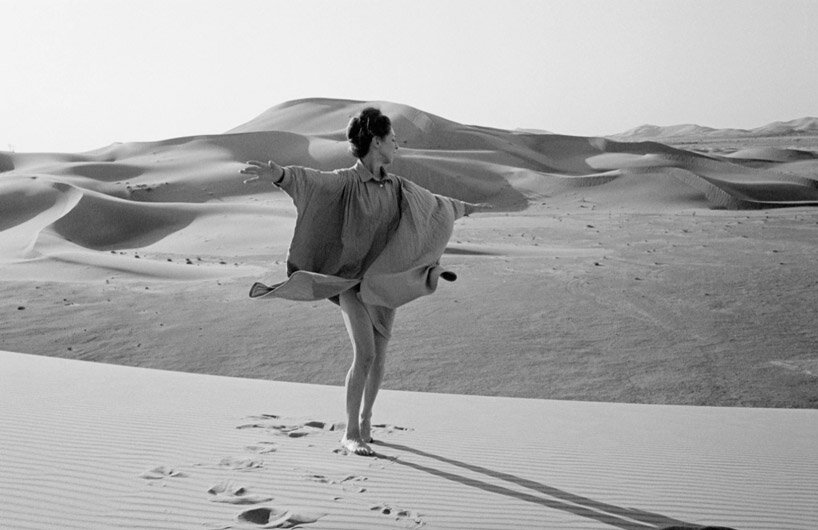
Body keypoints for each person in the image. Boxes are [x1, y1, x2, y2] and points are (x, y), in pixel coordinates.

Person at [240, 107, 490, 456]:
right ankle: (351, 432)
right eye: (392, 140)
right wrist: (280, 175)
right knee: (366, 353)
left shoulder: (398, 187)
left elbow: (436, 205)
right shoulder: (346, 181)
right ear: (376, 142)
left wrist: (467, 208)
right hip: (349, 282)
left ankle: (367, 420)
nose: (396, 146)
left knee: (379, 358)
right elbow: (311, 181)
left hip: (381, 284)